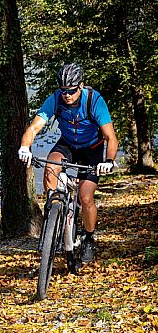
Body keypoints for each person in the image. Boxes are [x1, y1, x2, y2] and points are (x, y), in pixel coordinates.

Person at [18, 62, 118, 263]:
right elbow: (33, 128)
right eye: (63, 91)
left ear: (80, 85)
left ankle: (89, 238)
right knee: (50, 167)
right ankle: (53, 218)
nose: (67, 95)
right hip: (68, 145)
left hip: (92, 149)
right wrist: (25, 147)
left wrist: (109, 161)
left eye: (71, 91)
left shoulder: (94, 100)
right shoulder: (55, 100)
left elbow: (111, 137)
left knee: (86, 197)